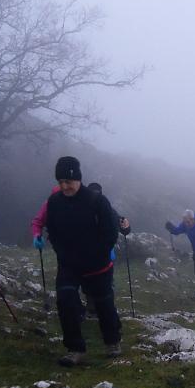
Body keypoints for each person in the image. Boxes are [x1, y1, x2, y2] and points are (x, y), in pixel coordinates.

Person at [39, 156, 122, 366]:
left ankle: (112, 342)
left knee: (103, 304)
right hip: (69, 264)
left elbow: (110, 232)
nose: (64, 186)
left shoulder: (96, 201)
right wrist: (61, 252)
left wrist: (99, 255)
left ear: (78, 178)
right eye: (60, 182)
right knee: (65, 301)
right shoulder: (54, 202)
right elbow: (53, 230)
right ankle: (75, 348)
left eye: (68, 181)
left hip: (97, 265)